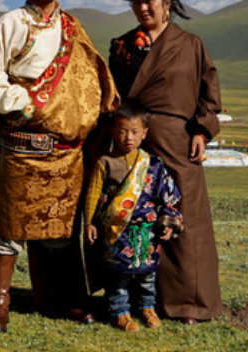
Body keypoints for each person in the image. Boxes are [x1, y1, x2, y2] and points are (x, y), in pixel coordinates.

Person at [0, 0, 119, 333]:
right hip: (22, 146)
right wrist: (30, 103)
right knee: (8, 229)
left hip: (66, 152)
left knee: (61, 232)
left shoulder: (73, 28)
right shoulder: (9, 24)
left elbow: (93, 79)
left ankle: (65, 301)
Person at [108, 0, 222, 324]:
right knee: (131, 218)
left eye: (151, 0)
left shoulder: (191, 44)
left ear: (168, 3)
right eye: (137, 1)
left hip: (177, 141)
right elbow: (112, 95)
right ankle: (131, 301)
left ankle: (189, 303)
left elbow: (209, 93)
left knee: (185, 219)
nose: (144, 8)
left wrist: (202, 131)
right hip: (133, 140)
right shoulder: (123, 47)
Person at [84, 102, 184, 332]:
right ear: (112, 131)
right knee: (118, 276)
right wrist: (89, 222)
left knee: (147, 275)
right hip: (116, 231)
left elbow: (166, 197)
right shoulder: (105, 162)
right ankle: (120, 312)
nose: (128, 137)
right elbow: (92, 195)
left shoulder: (153, 164)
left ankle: (147, 308)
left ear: (144, 133)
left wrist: (168, 222)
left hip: (147, 230)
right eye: (122, 130)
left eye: (135, 132)